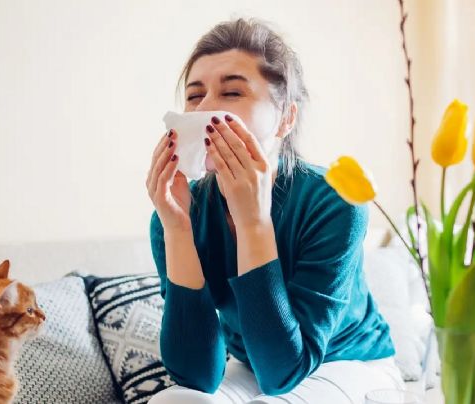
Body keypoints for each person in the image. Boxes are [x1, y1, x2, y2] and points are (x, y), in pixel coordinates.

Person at [145, 18, 404, 404]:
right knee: (173, 401)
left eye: (232, 92)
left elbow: (282, 373)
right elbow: (197, 375)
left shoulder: (336, 201)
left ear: (286, 117)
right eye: (195, 97)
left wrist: (254, 223)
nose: (207, 109)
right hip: (255, 365)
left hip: (350, 364)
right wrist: (178, 230)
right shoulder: (178, 211)